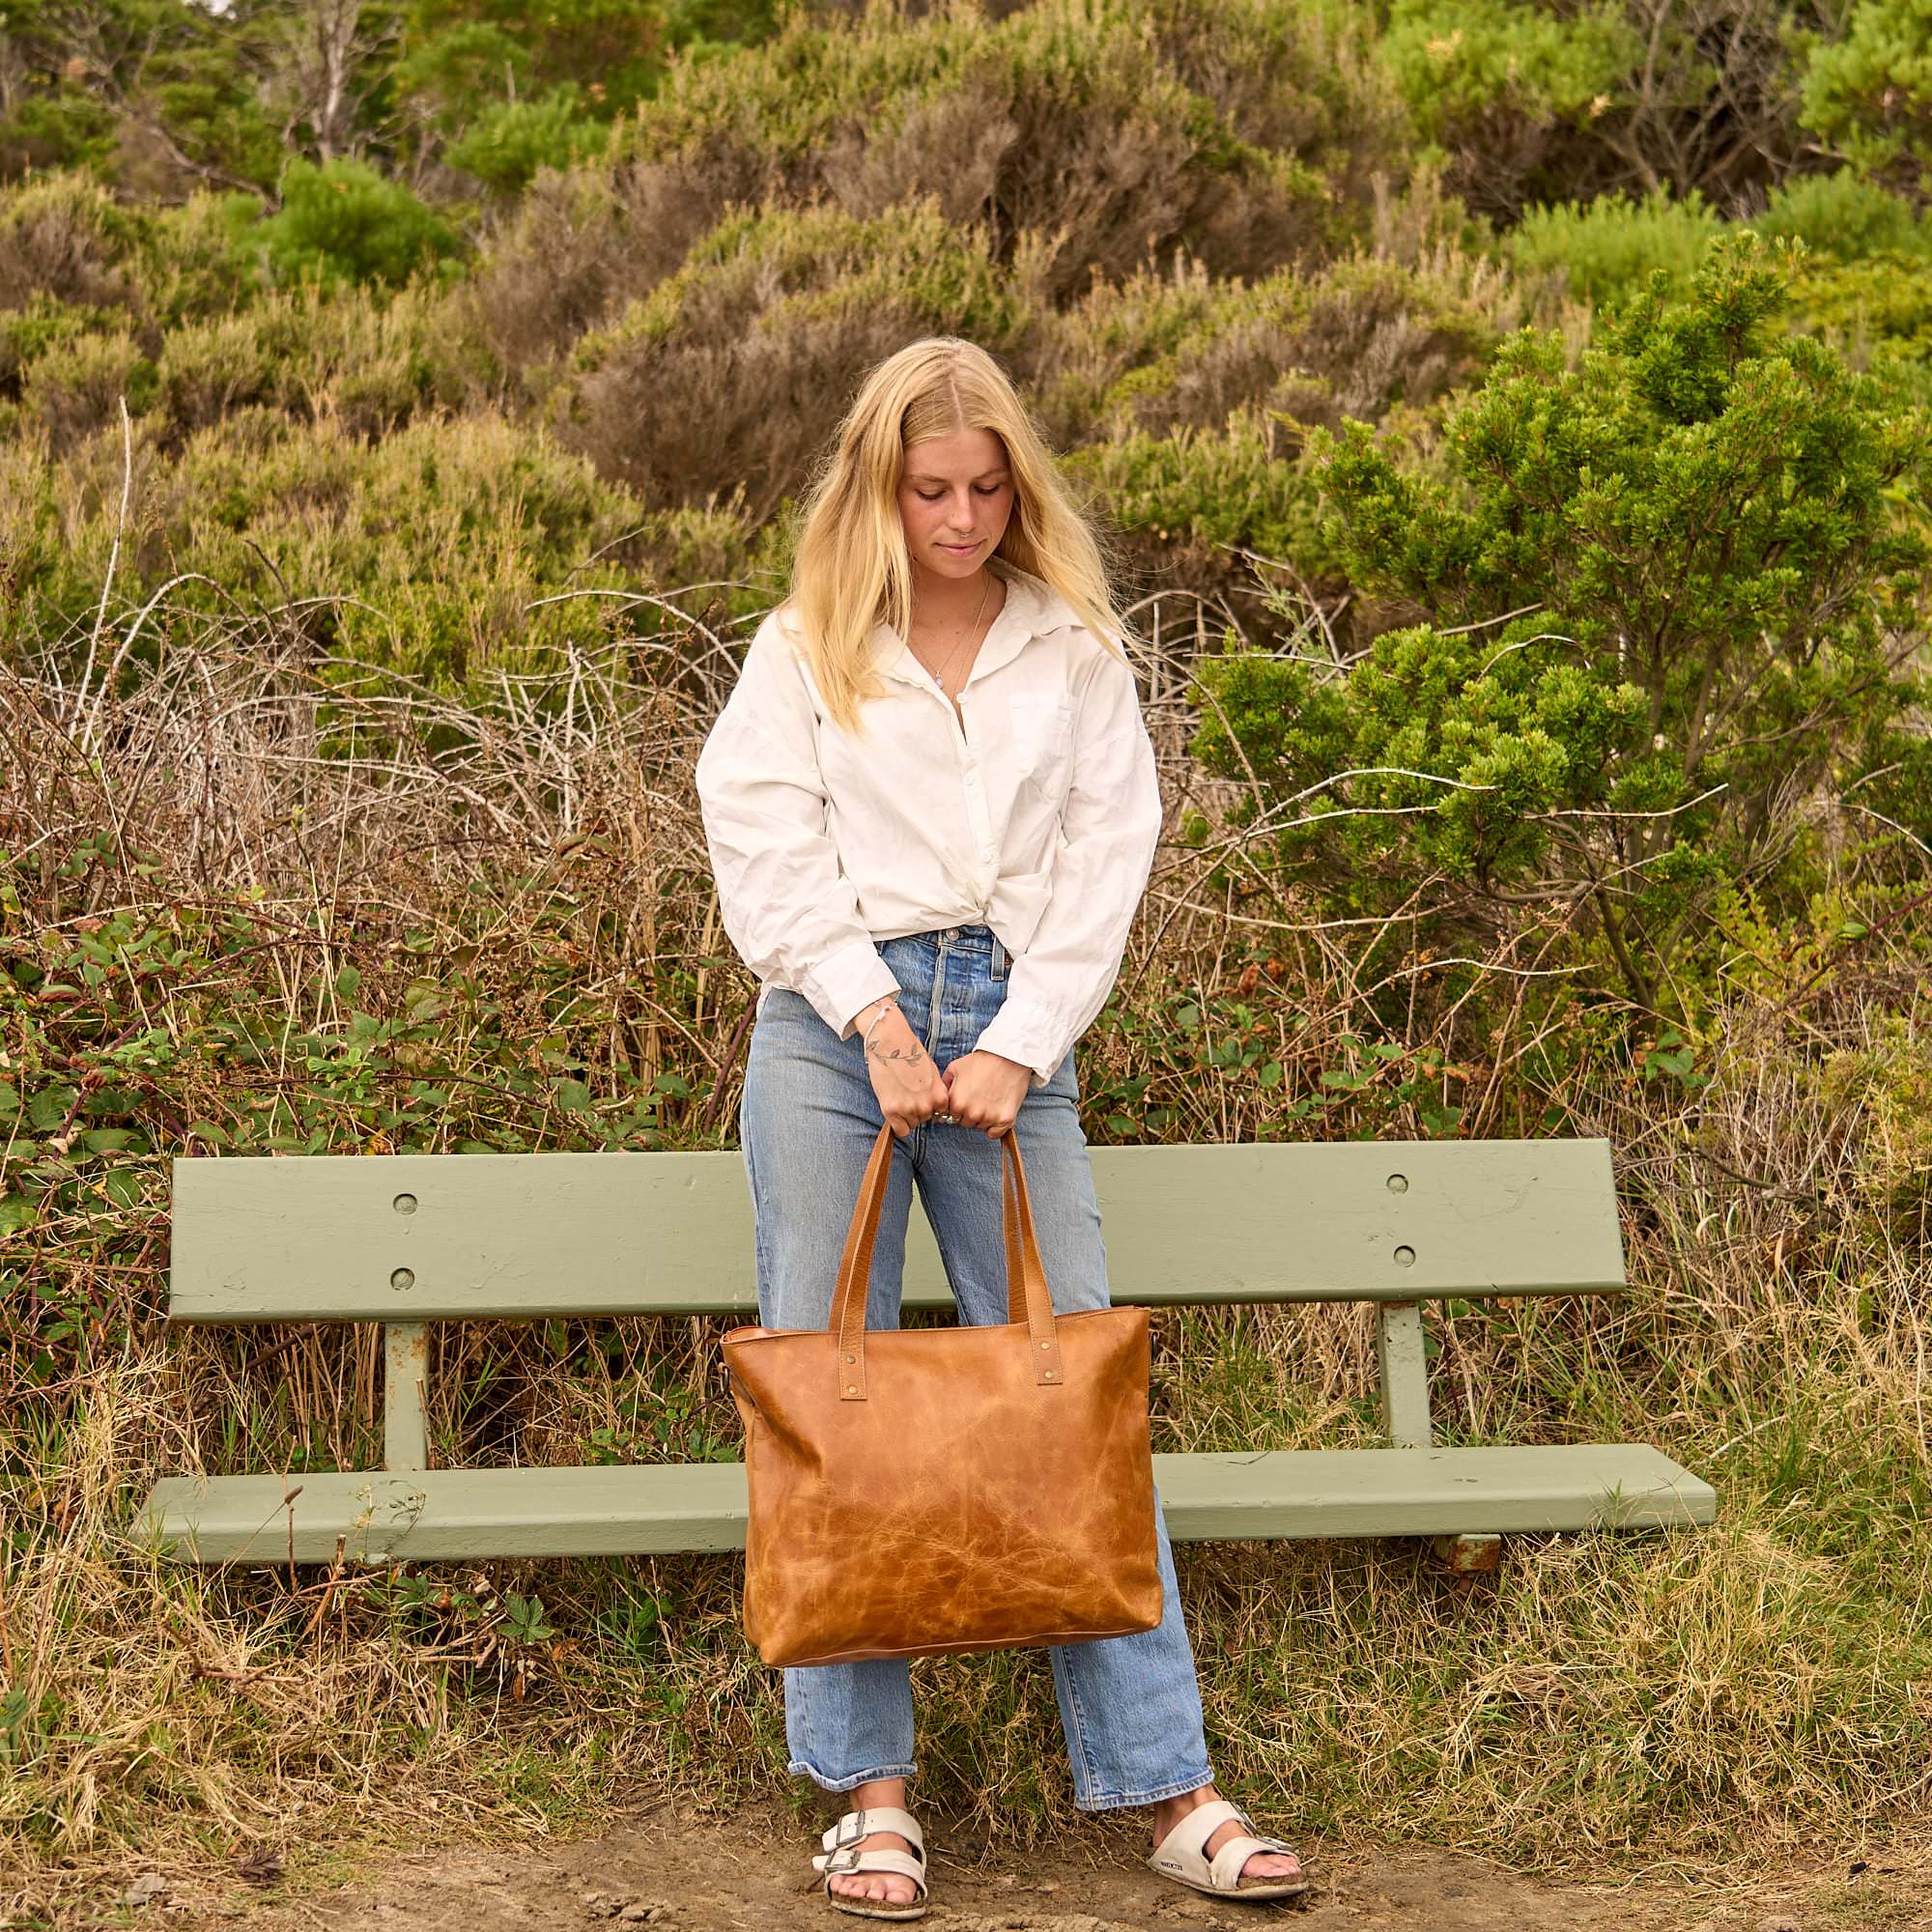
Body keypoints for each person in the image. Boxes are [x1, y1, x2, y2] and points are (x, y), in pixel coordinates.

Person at [694, 337, 1307, 1921]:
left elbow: (1111, 853)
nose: (959, 519)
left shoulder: (1075, 651)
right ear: (875, 491)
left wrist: (1020, 1046)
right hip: (836, 1038)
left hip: (1021, 1028)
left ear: (1017, 486)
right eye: (928, 491)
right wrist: (880, 1025)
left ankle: (1169, 1785)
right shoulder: (801, 646)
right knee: (830, 1397)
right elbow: (759, 839)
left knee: (1075, 1388)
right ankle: (869, 1796)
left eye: (984, 488)